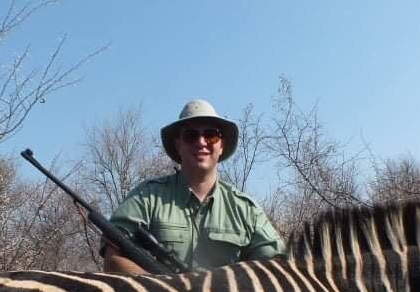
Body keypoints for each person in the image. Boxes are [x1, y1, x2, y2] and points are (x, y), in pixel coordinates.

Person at [103, 99, 285, 274]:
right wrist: (160, 287)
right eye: (191, 136)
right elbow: (113, 257)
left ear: (221, 146)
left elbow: (276, 265)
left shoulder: (246, 210)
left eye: (211, 135)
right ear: (178, 145)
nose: (201, 142)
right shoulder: (147, 197)